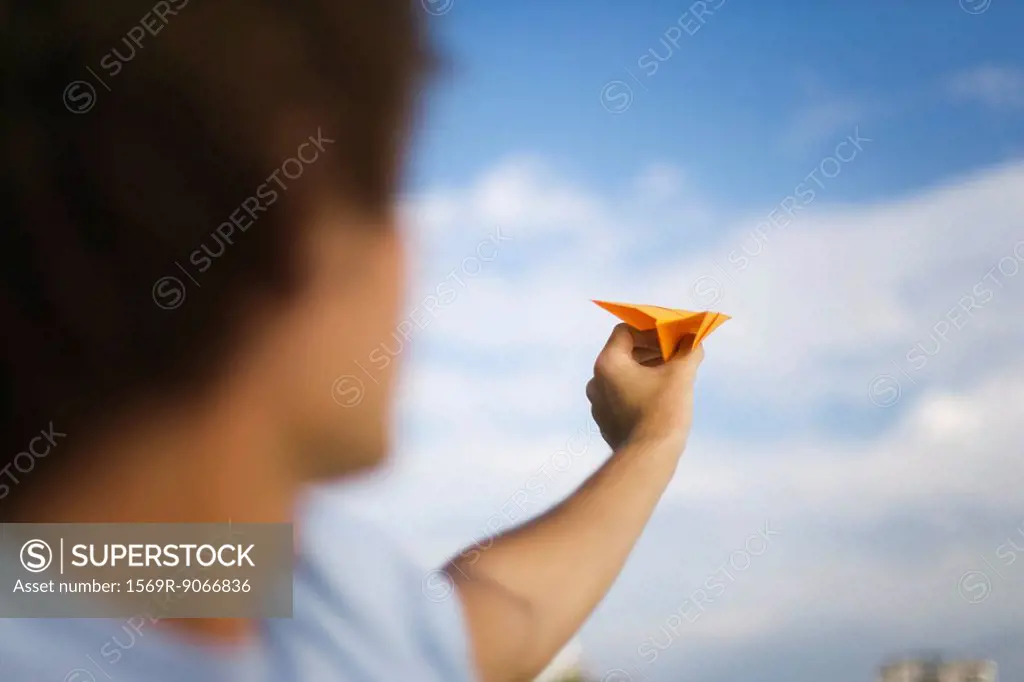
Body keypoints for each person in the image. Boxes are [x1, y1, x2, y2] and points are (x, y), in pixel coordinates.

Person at [0, 2, 705, 680]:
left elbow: (505, 617)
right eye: (385, 194)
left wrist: (651, 441)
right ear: (305, 226)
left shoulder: (255, 578)